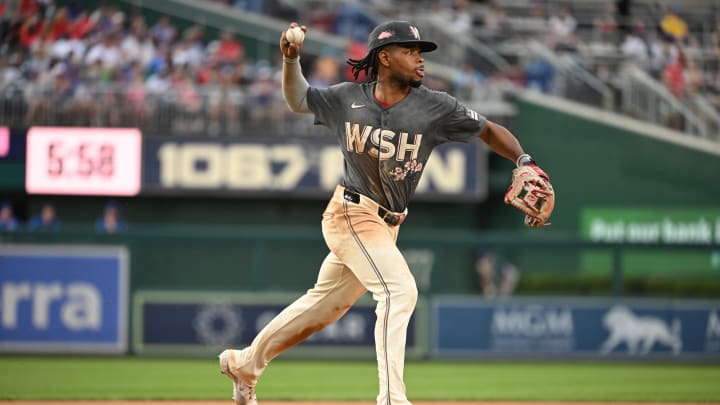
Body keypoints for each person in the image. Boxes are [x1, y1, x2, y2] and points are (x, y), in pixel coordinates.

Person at [218, 20, 554, 405]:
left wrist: (523, 159)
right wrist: (290, 60)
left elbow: (489, 130)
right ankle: (392, 399)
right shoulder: (347, 98)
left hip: (386, 224)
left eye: (420, 52)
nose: (419, 60)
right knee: (399, 291)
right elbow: (299, 100)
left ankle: (245, 363)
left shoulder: (436, 107)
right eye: (410, 51)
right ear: (385, 57)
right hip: (350, 214)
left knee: (322, 308)